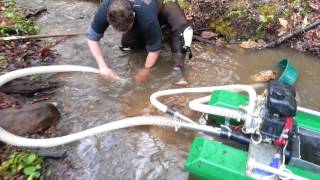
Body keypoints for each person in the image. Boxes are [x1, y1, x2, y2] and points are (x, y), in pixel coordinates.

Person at [86, 0, 193, 83]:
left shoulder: (146, 14)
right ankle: (161, 32)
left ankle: (178, 68)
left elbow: (155, 49)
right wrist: (102, 66)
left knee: (181, 29)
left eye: (127, 28)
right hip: (143, 12)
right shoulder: (106, 7)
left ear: (134, 14)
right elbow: (92, 37)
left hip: (163, 4)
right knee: (129, 45)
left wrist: (146, 70)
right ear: (107, 18)